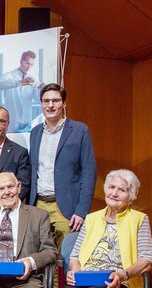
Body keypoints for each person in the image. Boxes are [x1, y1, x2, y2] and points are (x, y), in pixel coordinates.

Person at [29, 83, 97, 250]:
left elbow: (89, 173)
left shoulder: (80, 130)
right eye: (46, 101)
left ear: (64, 103)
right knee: (40, 258)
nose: (50, 105)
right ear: (41, 103)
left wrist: (81, 211)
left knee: (66, 259)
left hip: (66, 208)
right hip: (38, 205)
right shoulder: (35, 131)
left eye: (55, 100)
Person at [0, 50, 45, 133]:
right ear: (21, 61)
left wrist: (42, 89)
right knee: (10, 144)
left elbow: (37, 99)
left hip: (26, 121)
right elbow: (0, 85)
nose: (29, 67)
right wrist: (21, 82)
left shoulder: (33, 79)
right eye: (27, 63)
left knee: (24, 144)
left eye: (31, 64)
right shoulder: (9, 75)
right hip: (12, 120)